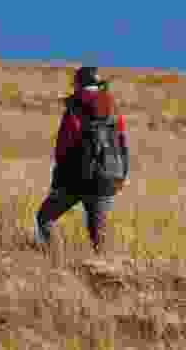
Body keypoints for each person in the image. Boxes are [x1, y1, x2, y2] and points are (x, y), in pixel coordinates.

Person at [34, 66, 130, 255]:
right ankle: (105, 273)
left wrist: (58, 181)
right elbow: (122, 145)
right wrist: (121, 176)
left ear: (78, 85)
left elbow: (63, 149)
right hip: (109, 177)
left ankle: (54, 261)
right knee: (98, 234)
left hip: (78, 179)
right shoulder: (114, 110)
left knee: (45, 217)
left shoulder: (75, 109)